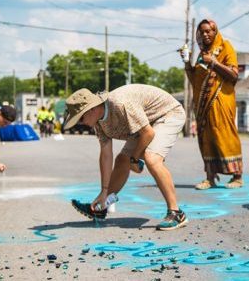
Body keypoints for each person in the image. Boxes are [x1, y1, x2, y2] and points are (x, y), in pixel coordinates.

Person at [66, 84, 188, 231]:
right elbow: (106, 154)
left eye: (80, 118)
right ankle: (102, 206)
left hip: (167, 114)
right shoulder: (98, 122)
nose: (81, 123)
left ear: (91, 109)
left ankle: (176, 213)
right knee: (121, 160)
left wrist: (135, 158)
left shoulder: (120, 103)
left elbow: (148, 133)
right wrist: (104, 191)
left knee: (152, 158)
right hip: (145, 123)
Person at [183, 19, 243, 190]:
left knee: (225, 135)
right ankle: (210, 177)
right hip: (204, 105)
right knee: (206, 138)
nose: (205, 34)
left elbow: (233, 75)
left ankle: (237, 176)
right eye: (202, 31)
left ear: (215, 31)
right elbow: (196, 81)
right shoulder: (203, 53)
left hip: (222, 100)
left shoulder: (226, 47)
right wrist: (187, 63)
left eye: (208, 31)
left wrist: (214, 63)